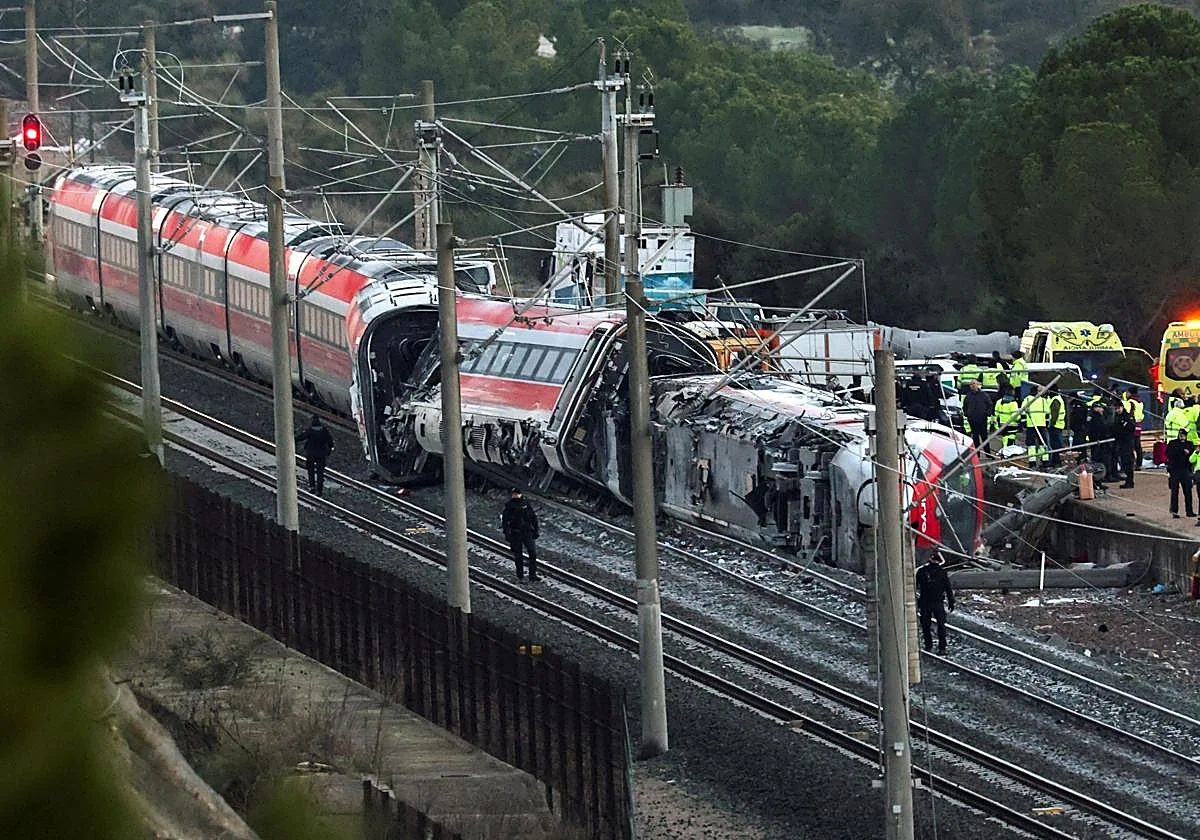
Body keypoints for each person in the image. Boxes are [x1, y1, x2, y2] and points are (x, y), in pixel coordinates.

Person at [915, 550, 955, 654]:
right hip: (938, 602)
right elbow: (948, 588)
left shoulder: (922, 571)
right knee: (941, 625)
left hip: (925, 602)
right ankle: (942, 647)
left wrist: (916, 602)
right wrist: (951, 602)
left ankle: (928, 645)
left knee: (925, 625)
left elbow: (915, 586)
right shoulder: (942, 572)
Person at [501, 488, 540, 581]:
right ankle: (520, 576)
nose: (515, 495)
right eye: (514, 494)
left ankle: (532, 575)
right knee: (518, 556)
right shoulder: (509, 506)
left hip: (527, 532)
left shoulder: (526, 504)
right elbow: (505, 521)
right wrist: (507, 534)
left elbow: (533, 518)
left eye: (517, 494)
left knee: (533, 553)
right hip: (515, 533)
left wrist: (536, 530)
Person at [295, 415, 335, 496]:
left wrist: (294, 439)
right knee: (320, 472)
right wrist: (329, 451)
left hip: (311, 454)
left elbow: (301, 437)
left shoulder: (310, 431)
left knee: (311, 471)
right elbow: (330, 442)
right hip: (321, 454)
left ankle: (312, 487)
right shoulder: (324, 431)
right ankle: (319, 490)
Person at [1165, 429, 1196, 519]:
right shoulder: (1173, 443)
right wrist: (1182, 451)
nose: (1182, 436)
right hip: (1174, 470)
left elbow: (1192, 457)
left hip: (1186, 470)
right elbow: (1169, 454)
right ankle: (1174, 511)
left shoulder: (1189, 444)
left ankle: (1189, 511)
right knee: (1174, 492)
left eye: (1183, 435)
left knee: (1188, 492)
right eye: (1180, 434)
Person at [962, 379, 993, 453]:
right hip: (972, 420)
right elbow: (964, 406)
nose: (972, 385)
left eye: (974, 384)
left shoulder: (983, 395)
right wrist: (967, 414)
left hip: (982, 419)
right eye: (971, 384)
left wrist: (987, 413)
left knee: (984, 437)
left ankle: (988, 453)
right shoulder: (968, 396)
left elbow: (990, 405)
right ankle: (977, 453)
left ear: (977, 385)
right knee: (975, 437)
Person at [1111, 401, 1136, 489]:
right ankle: (1128, 480)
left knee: (1128, 462)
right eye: (1115, 409)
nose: (1117, 410)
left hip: (1127, 443)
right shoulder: (1117, 417)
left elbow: (1131, 428)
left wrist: (1123, 426)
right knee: (1123, 462)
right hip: (1120, 442)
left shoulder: (1127, 417)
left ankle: (1130, 481)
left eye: (1118, 408)